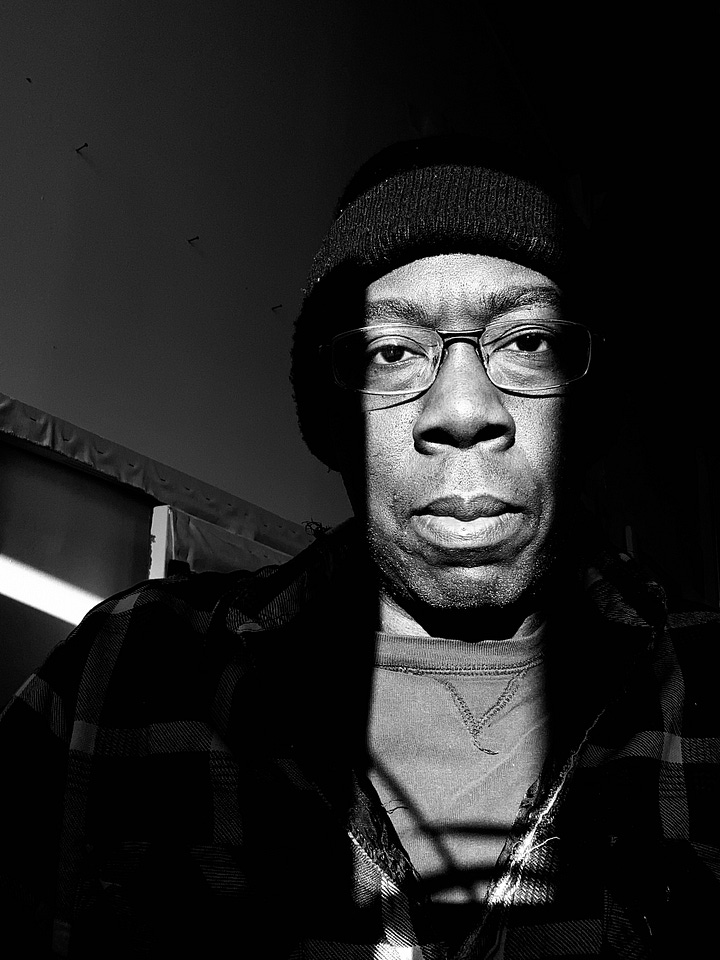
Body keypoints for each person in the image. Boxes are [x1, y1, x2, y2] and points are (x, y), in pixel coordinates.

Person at [1, 136, 718, 960]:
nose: (461, 408)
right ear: (336, 418)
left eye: (527, 341)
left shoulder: (703, 688)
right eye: (392, 351)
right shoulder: (131, 673)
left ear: (585, 404)